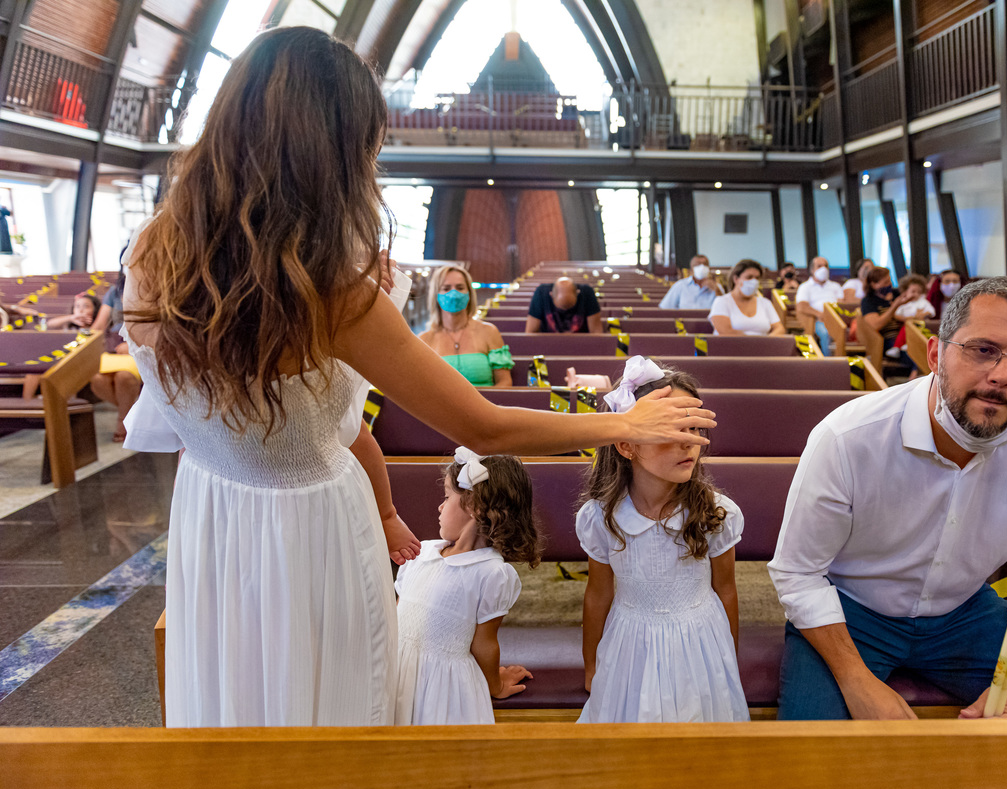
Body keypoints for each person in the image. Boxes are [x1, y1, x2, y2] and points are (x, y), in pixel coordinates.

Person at [120, 27, 715, 728]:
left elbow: (203, 424)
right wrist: (623, 421)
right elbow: (481, 425)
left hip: (214, 516)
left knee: (233, 696)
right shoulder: (333, 293)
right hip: (309, 530)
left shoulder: (152, 257)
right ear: (333, 153)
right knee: (326, 710)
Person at [769, 276, 1007, 721]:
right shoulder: (849, 436)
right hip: (851, 612)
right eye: (982, 350)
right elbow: (799, 574)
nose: (1001, 375)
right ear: (936, 354)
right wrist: (857, 681)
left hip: (964, 615)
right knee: (811, 762)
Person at [577, 358, 748, 723]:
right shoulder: (601, 518)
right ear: (627, 445)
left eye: (693, 429)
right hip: (630, 641)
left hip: (701, 641)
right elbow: (598, 593)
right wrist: (592, 664)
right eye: (670, 432)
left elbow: (726, 589)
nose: (689, 444)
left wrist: (728, 659)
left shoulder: (716, 514)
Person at [394, 449, 541, 725]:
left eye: (447, 497)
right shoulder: (421, 553)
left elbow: (484, 645)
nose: (440, 506)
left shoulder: (492, 574)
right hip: (400, 678)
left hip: (444, 695)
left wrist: (495, 685)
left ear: (474, 506)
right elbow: (396, 617)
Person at [419, 264, 513, 387]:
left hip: (486, 404)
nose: (453, 293)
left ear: (469, 293)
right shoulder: (424, 340)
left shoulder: (489, 332)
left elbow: (505, 382)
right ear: (436, 295)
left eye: (460, 287)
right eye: (446, 288)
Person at [90, 269, 142, 442]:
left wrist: (134, 345)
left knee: (124, 377)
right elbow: (99, 325)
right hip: (115, 344)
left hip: (140, 344)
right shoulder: (115, 291)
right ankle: (131, 413)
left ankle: (122, 422)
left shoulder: (153, 288)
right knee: (97, 379)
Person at [861, 267, 920, 373]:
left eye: (890, 280)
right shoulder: (868, 301)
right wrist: (894, 306)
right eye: (885, 282)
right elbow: (875, 325)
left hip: (905, 333)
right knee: (912, 353)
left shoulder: (896, 294)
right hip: (886, 340)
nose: (889, 284)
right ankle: (916, 372)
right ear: (874, 285)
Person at [707, 259, 785, 336]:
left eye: (757, 278)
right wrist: (754, 343)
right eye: (749, 277)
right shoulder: (722, 301)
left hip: (764, 346)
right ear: (736, 279)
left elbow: (779, 328)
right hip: (732, 346)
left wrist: (770, 339)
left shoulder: (765, 303)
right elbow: (725, 331)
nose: (754, 281)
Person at [794, 256, 844, 355]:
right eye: (819, 266)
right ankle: (827, 362)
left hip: (836, 319)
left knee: (844, 332)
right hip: (817, 320)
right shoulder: (805, 287)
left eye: (825, 266)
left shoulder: (835, 286)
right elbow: (802, 306)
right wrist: (820, 314)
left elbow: (842, 304)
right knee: (825, 333)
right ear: (812, 270)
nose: (823, 269)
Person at [524, 276, 603, 333]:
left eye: (569, 307)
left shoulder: (587, 293)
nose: (565, 311)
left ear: (577, 293)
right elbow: (530, 332)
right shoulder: (541, 293)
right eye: (561, 308)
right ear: (551, 295)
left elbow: (596, 331)